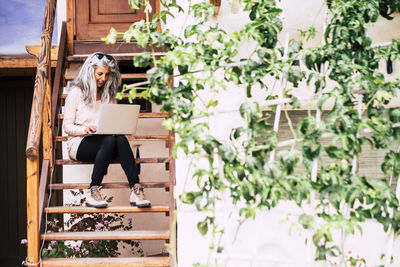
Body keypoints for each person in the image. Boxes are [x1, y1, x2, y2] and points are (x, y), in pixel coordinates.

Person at [63, 52, 151, 208]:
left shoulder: (108, 95)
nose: (103, 78)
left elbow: (112, 120)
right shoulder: (75, 93)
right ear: (90, 72)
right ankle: (93, 190)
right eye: (99, 74)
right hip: (79, 143)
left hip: (106, 142)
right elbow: (67, 127)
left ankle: (135, 189)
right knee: (110, 140)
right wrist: (85, 128)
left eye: (106, 75)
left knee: (120, 138)